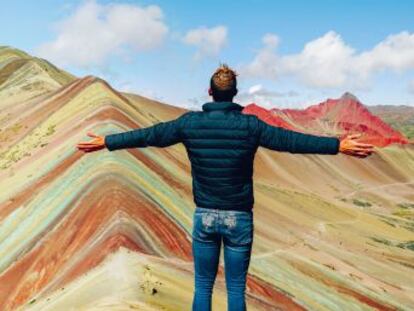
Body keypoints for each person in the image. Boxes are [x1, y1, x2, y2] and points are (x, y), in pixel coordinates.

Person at [77, 64, 374, 311]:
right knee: (235, 290)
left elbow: (150, 135)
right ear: (234, 94)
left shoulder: (189, 124)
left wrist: (107, 141)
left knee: (203, 286)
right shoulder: (251, 126)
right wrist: (338, 145)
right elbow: (292, 141)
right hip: (239, 218)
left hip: (204, 216)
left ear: (209, 92)